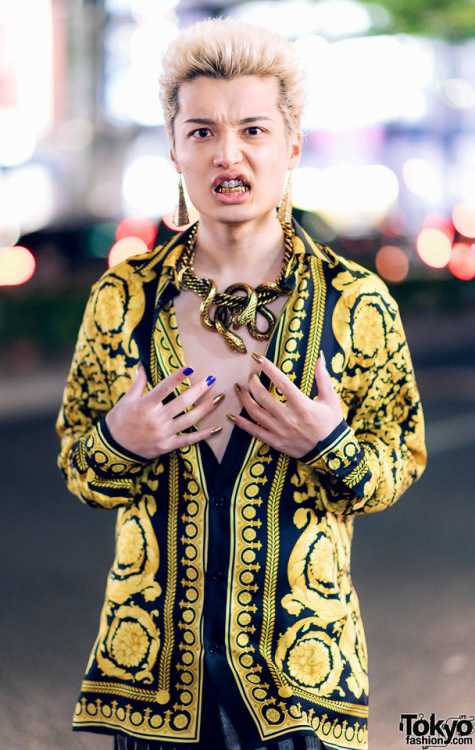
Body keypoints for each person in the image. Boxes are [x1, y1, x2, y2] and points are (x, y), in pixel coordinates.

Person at [56, 17, 426, 750]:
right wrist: (118, 441)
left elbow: (398, 464)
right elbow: (80, 467)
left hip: (302, 688)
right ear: (173, 148)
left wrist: (333, 445)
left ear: (290, 145)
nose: (228, 154)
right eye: (201, 132)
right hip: (156, 684)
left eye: (253, 130)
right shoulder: (122, 301)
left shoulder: (355, 304)